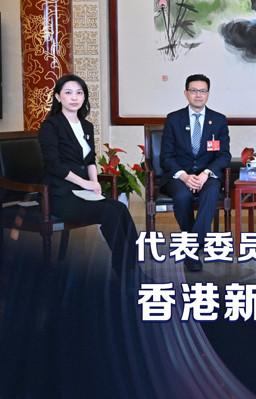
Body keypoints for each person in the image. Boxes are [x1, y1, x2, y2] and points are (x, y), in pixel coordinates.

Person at [38, 74, 138, 272]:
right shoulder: (50, 126)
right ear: (58, 97)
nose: (74, 97)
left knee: (120, 209)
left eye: (79, 93)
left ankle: (133, 267)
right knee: (110, 212)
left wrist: (95, 183)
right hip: (60, 194)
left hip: (84, 192)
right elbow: (53, 165)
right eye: (68, 93)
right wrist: (85, 183)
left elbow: (90, 159)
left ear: (84, 97)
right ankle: (125, 272)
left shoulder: (86, 126)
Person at [160, 74, 231, 272]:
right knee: (182, 196)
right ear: (186, 93)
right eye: (194, 90)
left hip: (207, 175)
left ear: (208, 94)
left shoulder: (219, 120)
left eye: (203, 91)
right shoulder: (174, 119)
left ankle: (191, 247)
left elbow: (224, 155)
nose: (198, 95)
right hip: (178, 175)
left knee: (211, 191)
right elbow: (166, 156)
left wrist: (206, 173)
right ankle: (196, 242)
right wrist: (184, 176)